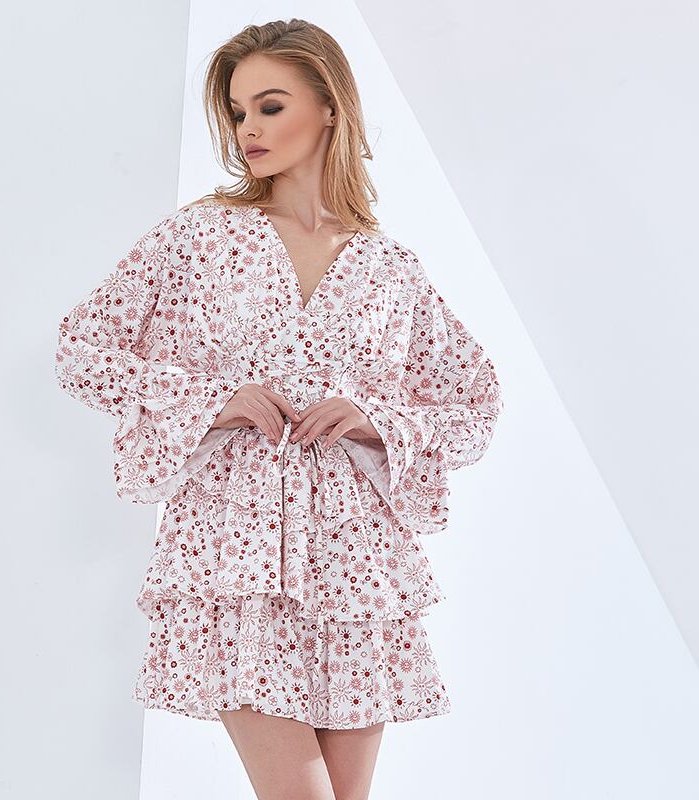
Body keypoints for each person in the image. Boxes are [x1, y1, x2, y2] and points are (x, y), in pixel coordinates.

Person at [54, 17, 504, 800]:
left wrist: (375, 419)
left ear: (329, 106)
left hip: (357, 564)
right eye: (237, 112)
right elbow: (82, 351)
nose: (247, 130)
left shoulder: (390, 268)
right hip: (235, 555)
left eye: (269, 105)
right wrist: (210, 399)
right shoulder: (200, 238)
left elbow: (476, 402)